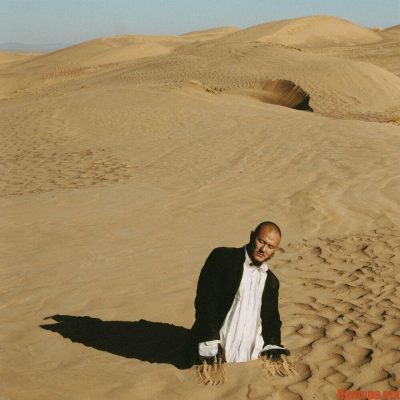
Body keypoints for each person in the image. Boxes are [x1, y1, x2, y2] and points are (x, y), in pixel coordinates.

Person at [187, 221, 290, 366]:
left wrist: (272, 344)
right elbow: (206, 301)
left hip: (251, 359)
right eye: (261, 241)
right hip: (213, 355)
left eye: (270, 246)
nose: (263, 249)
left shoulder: (271, 281)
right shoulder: (223, 258)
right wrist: (209, 338)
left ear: (275, 250)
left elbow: (271, 319)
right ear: (252, 236)